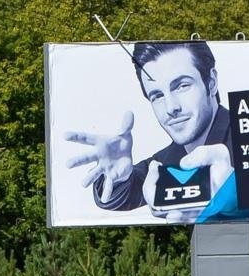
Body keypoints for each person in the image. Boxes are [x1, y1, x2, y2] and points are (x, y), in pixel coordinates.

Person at [65, 41, 233, 222]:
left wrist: (233, 191)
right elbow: (127, 191)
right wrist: (116, 177)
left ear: (212, 83)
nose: (171, 107)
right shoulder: (164, 161)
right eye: (157, 95)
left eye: (182, 86)